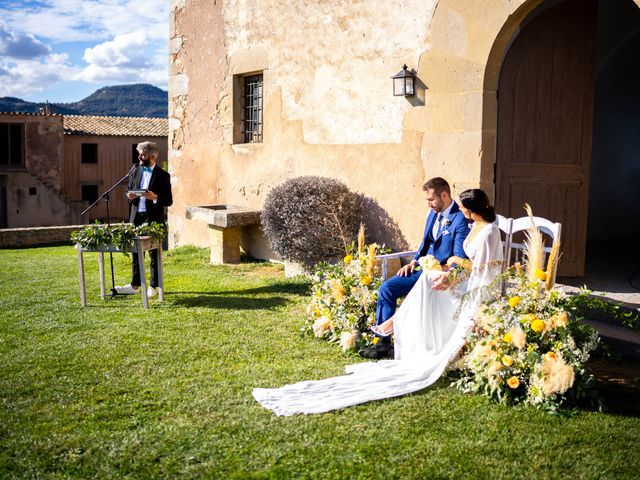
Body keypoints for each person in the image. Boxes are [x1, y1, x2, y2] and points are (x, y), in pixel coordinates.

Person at [252, 188, 503, 416]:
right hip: (453, 275)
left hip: (476, 285)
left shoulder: (484, 229)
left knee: (428, 282)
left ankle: (396, 322)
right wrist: (419, 261)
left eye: (463, 207)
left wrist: (452, 270)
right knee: (408, 283)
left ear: (468, 208)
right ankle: (387, 336)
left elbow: (483, 268)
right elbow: (427, 246)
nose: (461, 210)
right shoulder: (474, 225)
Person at [359, 177, 470, 360]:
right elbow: (425, 244)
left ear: (444, 195)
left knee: (400, 291)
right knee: (387, 288)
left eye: (431, 200)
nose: (429, 204)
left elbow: (459, 257)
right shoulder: (433, 214)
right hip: (421, 270)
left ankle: (395, 340)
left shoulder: (459, 220)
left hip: (437, 276)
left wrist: (443, 270)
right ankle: (383, 344)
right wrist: (413, 262)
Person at [115, 141, 173, 297]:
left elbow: (168, 200)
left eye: (143, 154)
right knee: (136, 252)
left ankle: (154, 286)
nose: (139, 157)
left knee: (154, 253)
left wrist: (154, 197)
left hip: (153, 218)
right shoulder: (134, 170)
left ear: (152, 156)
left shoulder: (163, 175)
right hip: (136, 217)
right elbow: (128, 190)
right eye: (138, 153)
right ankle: (135, 285)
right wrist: (129, 195)